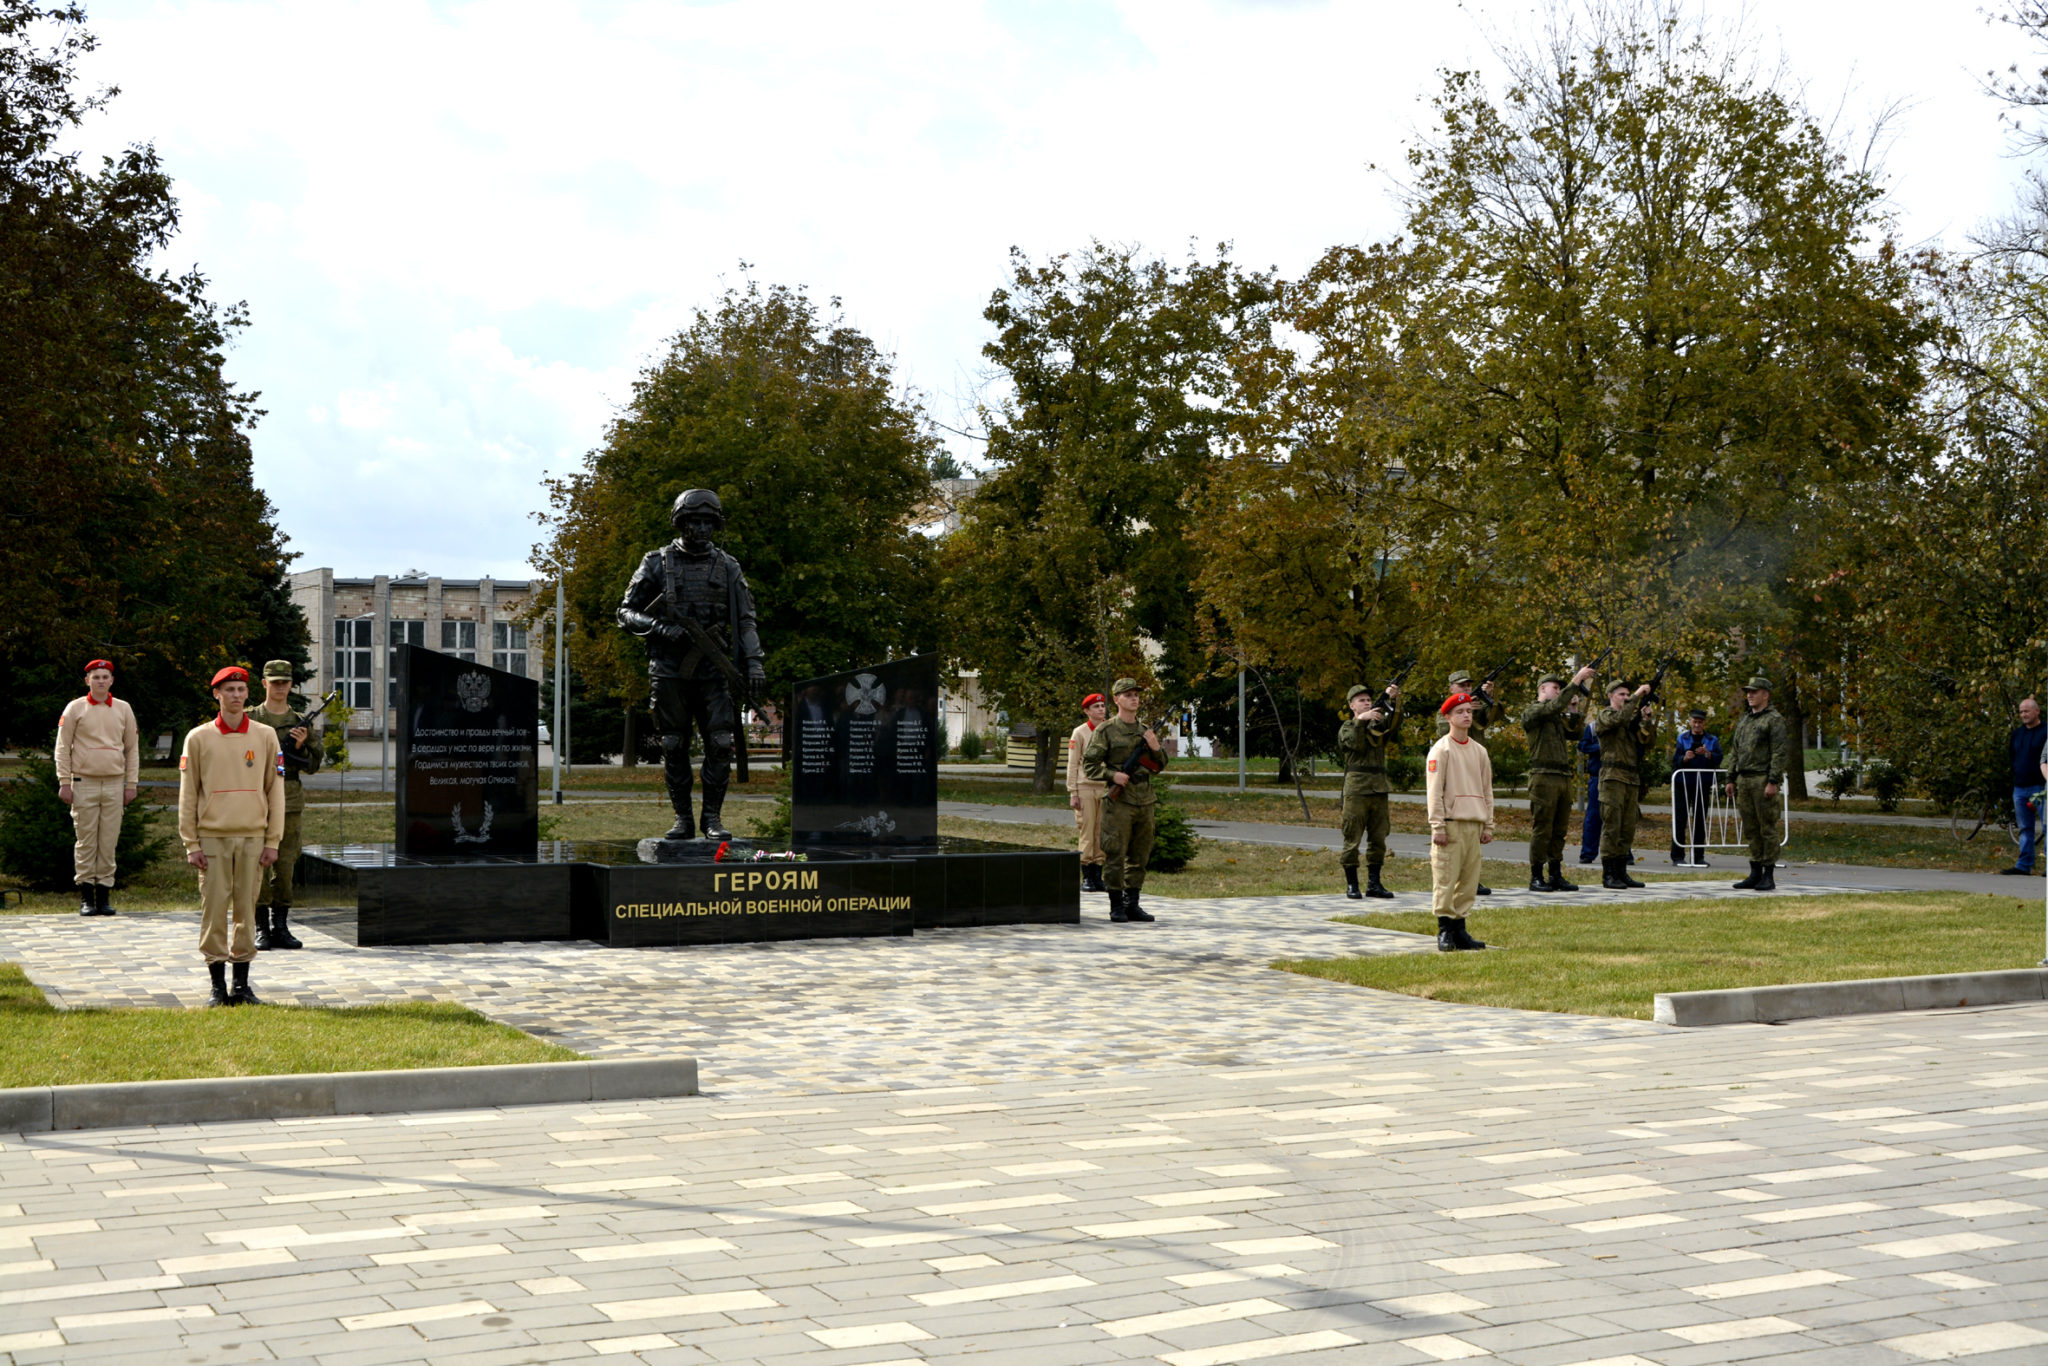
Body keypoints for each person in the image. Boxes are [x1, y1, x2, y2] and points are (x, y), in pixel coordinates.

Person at [617, 489, 768, 842]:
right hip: (669, 669)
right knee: (673, 743)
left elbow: (746, 621)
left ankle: (712, 818)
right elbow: (625, 612)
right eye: (693, 522)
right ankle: (682, 819)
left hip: (713, 670)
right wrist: (660, 629)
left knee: (719, 742)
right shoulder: (656, 563)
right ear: (680, 522)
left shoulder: (728, 566)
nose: (701, 529)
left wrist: (755, 664)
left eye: (707, 522)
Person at [178, 666, 284, 1007]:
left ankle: (241, 985)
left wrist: (273, 840)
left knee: (246, 909)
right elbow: (188, 794)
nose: (236, 695)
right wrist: (191, 843)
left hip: (253, 838)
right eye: (229, 690)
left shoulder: (266, 735)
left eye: (241, 689)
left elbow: (275, 789)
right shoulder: (198, 737)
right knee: (214, 910)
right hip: (213, 838)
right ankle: (217, 987)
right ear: (217, 695)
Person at [54, 658, 140, 917]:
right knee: (86, 840)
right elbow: (62, 747)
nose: (101, 680)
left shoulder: (123, 708)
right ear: (87, 680)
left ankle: (104, 895)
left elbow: (132, 748)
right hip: (84, 782)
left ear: (112, 681)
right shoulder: (75, 708)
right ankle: (86, 897)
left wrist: (131, 784)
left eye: (105, 676)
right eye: (96, 676)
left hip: (114, 783)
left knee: (108, 840)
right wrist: (64, 781)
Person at [1082, 679, 1166, 923]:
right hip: (1119, 802)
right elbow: (1089, 764)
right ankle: (1116, 905)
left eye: (1136, 695)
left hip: (1144, 799)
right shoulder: (1106, 730)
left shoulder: (1146, 731)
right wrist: (1112, 775)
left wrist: (1155, 747)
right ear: (1116, 700)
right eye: (1128, 695)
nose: (1134, 699)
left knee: (1140, 855)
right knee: (1116, 853)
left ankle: (1133, 904)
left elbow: (1159, 766)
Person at [251, 660, 319, 949]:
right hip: (254, 798)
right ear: (264, 683)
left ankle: (281, 925)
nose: (279, 687)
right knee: (256, 864)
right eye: (274, 682)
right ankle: (261, 927)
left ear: (291, 685)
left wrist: (301, 747)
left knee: (286, 864)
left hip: (289, 799)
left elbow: (314, 766)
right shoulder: (250, 718)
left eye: (285, 682)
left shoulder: (301, 721)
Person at [1520, 665, 1597, 892]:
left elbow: (1576, 733)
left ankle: (1555, 873)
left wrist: (1573, 710)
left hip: (1562, 776)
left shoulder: (1555, 715)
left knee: (1559, 829)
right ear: (1543, 688)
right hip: (1543, 777)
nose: (1558, 691)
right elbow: (1551, 707)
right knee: (1542, 828)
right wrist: (1576, 681)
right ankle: (1536, 875)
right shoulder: (1533, 711)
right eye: (1556, 687)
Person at [1426, 693, 1493, 950]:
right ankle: (1444, 929)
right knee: (1445, 877)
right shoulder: (1440, 750)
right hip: (1451, 824)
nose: (1466, 716)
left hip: (1473, 824)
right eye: (1460, 712)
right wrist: (1438, 825)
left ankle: (1460, 929)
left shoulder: (1479, 752)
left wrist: (1488, 824)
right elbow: (1434, 791)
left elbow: (1487, 790)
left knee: (1468, 879)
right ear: (1448, 717)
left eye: (1469, 711)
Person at [1726, 675, 1793, 891]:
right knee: (1751, 828)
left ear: (1766, 694)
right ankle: (1754, 872)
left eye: (1754, 692)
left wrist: (1773, 780)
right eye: (1748, 691)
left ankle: (1768, 873)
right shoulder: (1745, 719)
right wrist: (1730, 777)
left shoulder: (1774, 719)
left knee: (1767, 827)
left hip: (1762, 778)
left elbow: (1779, 752)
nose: (1749, 695)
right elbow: (1735, 750)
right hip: (1744, 779)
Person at [1336, 680, 1402, 900]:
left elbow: (1394, 726)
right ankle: (1352, 884)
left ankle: (1374, 883)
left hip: (1379, 789)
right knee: (1352, 837)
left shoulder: (1377, 726)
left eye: (1368, 700)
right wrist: (1359, 722)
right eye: (1361, 701)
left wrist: (1394, 700)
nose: (1366, 703)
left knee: (1379, 838)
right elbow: (1354, 744)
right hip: (1357, 789)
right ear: (1352, 706)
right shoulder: (1347, 727)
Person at [1592, 679, 1658, 889]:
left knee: (1627, 827)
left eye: (1628, 694)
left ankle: (1621, 872)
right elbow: (1619, 719)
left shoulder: (1630, 720)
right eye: (1622, 694)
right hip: (1612, 777)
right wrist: (1638, 695)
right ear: (1611, 695)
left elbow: (1648, 742)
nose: (1626, 697)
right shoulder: (1606, 716)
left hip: (1630, 778)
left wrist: (1646, 720)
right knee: (1612, 826)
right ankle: (1609, 873)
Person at [1438, 669, 1499, 894]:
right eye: (1461, 685)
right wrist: (1462, 711)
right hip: (1455, 772)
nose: (1466, 688)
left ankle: (1473, 879)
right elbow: (1443, 730)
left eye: (1468, 685)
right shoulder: (1445, 712)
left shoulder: (1474, 707)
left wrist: (1489, 699)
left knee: (1474, 831)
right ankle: (1456, 880)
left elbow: (1489, 720)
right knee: (1458, 834)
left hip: (1474, 766)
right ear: (1452, 688)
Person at [1066, 693, 1109, 891]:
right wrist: (1072, 791)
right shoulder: (1080, 732)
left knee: (1101, 831)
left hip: (1105, 786)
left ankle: (1098, 873)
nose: (1101, 709)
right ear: (1087, 711)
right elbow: (1073, 763)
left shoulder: (1109, 730)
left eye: (1102, 705)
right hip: (1085, 786)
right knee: (1087, 831)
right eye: (1096, 707)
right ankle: (1086, 876)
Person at [1670, 709, 1721, 867]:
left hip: (1702, 784)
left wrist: (1707, 754)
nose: (1697, 725)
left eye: (1700, 722)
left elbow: (1719, 758)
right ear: (1690, 721)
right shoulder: (1682, 738)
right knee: (1680, 819)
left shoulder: (1711, 739)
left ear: (1704, 723)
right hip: (1683, 783)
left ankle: (1698, 856)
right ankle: (1677, 856)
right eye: (1694, 721)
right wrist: (1685, 758)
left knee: (1700, 820)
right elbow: (1675, 761)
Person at [2003, 697, 2046, 876]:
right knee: (2025, 828)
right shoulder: (2018, 734)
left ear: (2037, 711)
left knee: (2047, 826)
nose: (2024, 715)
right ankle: (2024, 865)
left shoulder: (2046, 732)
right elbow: (2013, 756)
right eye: (2021, 712)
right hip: (2020, 787)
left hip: (2042, 787)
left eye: (2027, 711)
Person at [1577, 719, 1603, 865]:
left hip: (1618, 776)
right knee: (1593, 816)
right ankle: (1588, 853)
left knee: (1619, 817)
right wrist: (1600, 747)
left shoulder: (1625, 723)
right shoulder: (1593, 727)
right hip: (1597, 776)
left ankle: (1624, 853)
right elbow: (1582, 745)